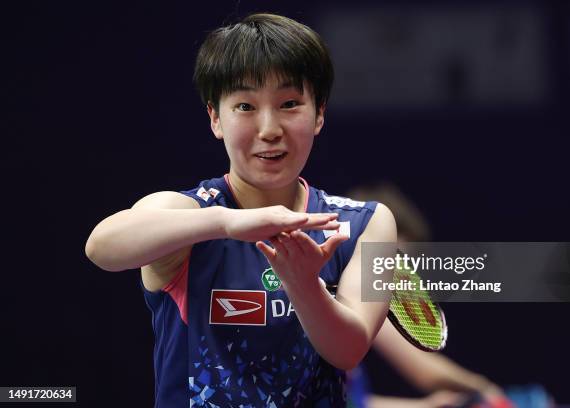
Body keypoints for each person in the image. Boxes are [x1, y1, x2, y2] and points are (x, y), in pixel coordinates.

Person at [85, 13, 396, 407]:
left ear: (319, 114)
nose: (269, 128)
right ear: (216, 118)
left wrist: (303, 283)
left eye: (289, 104)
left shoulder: (364, 223)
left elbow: (348, 350)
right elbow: (101, 248)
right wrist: (227, 223)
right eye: (246, 106)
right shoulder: (186, 213)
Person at [345, 183, 507, 408]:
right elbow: (425, 370)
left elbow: (354, 403)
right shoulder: (354, 293)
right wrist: (484, 387)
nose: (403, 278)